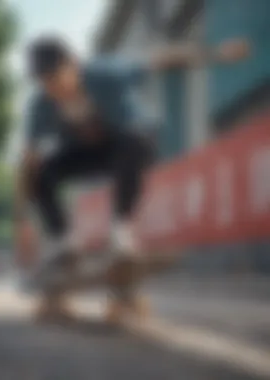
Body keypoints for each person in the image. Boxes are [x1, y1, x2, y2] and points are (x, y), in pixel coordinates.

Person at [15, 35, 249, 319]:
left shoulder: (107, 74)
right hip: (86, 155)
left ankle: (122, 232)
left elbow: (161, 59)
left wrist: (215, 53)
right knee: (42, 172)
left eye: (57, 79)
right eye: (46, 83)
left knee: (132, 140)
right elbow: (28, 161)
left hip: (131, 144)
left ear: (73, 65)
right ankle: (65, 241)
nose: (55, 90)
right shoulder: (40, 106)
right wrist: (22, 219)